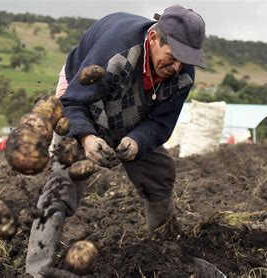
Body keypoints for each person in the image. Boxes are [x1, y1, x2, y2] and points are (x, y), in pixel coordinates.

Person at [26, 5, 206, 277]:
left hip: (134, 108)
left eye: (185, 59)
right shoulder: (115, 53)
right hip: (81, 100)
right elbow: (73, 102)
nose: (178, 66)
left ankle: (164, 252)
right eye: (173, 57)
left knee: (160, 173)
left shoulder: (182, 74)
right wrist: (87, 138)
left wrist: (135, 141)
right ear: (154, 39)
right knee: (65, 178)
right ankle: (37, 268)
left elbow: (161, 123)